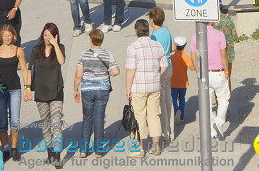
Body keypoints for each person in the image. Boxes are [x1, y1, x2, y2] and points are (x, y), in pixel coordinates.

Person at [73, 28, 120, 157]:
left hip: (87, 90)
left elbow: (78, 75)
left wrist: (75, 89)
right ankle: (98, 150)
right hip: (102, 90)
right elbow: (116, 71)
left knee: (87, 119)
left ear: (91, 40)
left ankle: (83, 149)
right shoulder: (107, 54)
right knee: (99, 119)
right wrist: (107, 73)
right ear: (101, 40)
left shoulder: (84, 54)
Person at [26, 23, 66, 168]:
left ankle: (57, 155)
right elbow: (29, 70)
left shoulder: (59, 48)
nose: (47, 38)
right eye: (45, 35)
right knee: (46, 124)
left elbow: (62, 61)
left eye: (49, 35)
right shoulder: (36, 50)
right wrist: (28, 88)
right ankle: (49, 151)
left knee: (56, 124)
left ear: (55, 35)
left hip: (56, 91)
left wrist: (55, 44)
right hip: (41, 91)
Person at [125, 19, 167, 159]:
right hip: (155, 86)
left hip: (139, 87)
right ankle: (156, 147)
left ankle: (141, 149)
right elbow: (164, 65)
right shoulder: (157, 45)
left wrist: (128, 89)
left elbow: (130, 70)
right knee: (154, 115)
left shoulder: (133, 47)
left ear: (136, 31)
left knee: (140, 116)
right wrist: (155, 75)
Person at [0, 24, 28, 161]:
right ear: (1, 37)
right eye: (4, 35)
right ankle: (5, 148)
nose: (7, 38)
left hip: (14, 88)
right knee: (2, 122)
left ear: (13, 36)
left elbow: (24, 69)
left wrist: (27, 87)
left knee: (15, 120)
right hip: (0, 90)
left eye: (9, 35)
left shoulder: (18, 51)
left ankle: (14, 147)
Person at [188, 21, 229, 139]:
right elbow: (223, 56)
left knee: (207, 104)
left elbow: (193, 56)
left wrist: (198, 71)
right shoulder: (219, 34)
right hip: (218, 72)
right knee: (223, 98)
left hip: (204, 73)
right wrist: (226, 70)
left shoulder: (195, 36)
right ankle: (219, 122)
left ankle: (211, 131)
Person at [149, 8, 175, 144]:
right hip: (169, 66)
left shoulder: (154, 36)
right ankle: (171, 130)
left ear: (152, 20)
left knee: (162, 102)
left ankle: (165, 133)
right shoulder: (167, 30)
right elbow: (174, 48)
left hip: (160, 69)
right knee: (168, 99)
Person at [170, 37, 191, 125]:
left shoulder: (171, 57)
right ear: (184, 46)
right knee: (182, 99)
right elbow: (192, 67)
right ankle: (182, 116)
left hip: (173, 83)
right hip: (183, 82)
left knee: (174, 98)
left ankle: (176, 110)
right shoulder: (186, 57)